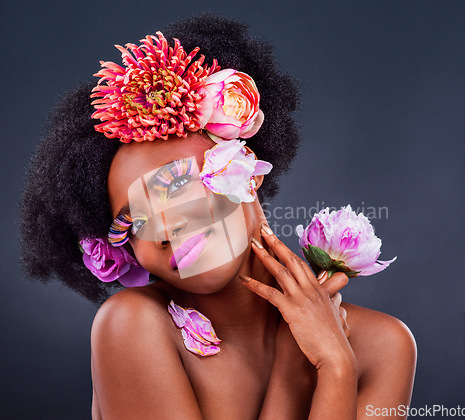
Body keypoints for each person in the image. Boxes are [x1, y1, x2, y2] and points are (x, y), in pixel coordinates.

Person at [19, 14, 416, 419]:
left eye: (174, 186)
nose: (161, 230)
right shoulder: (131, 325)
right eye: (134, 224)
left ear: (244, 165)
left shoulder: (384, 345)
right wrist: (306, 368)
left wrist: (339, 362)